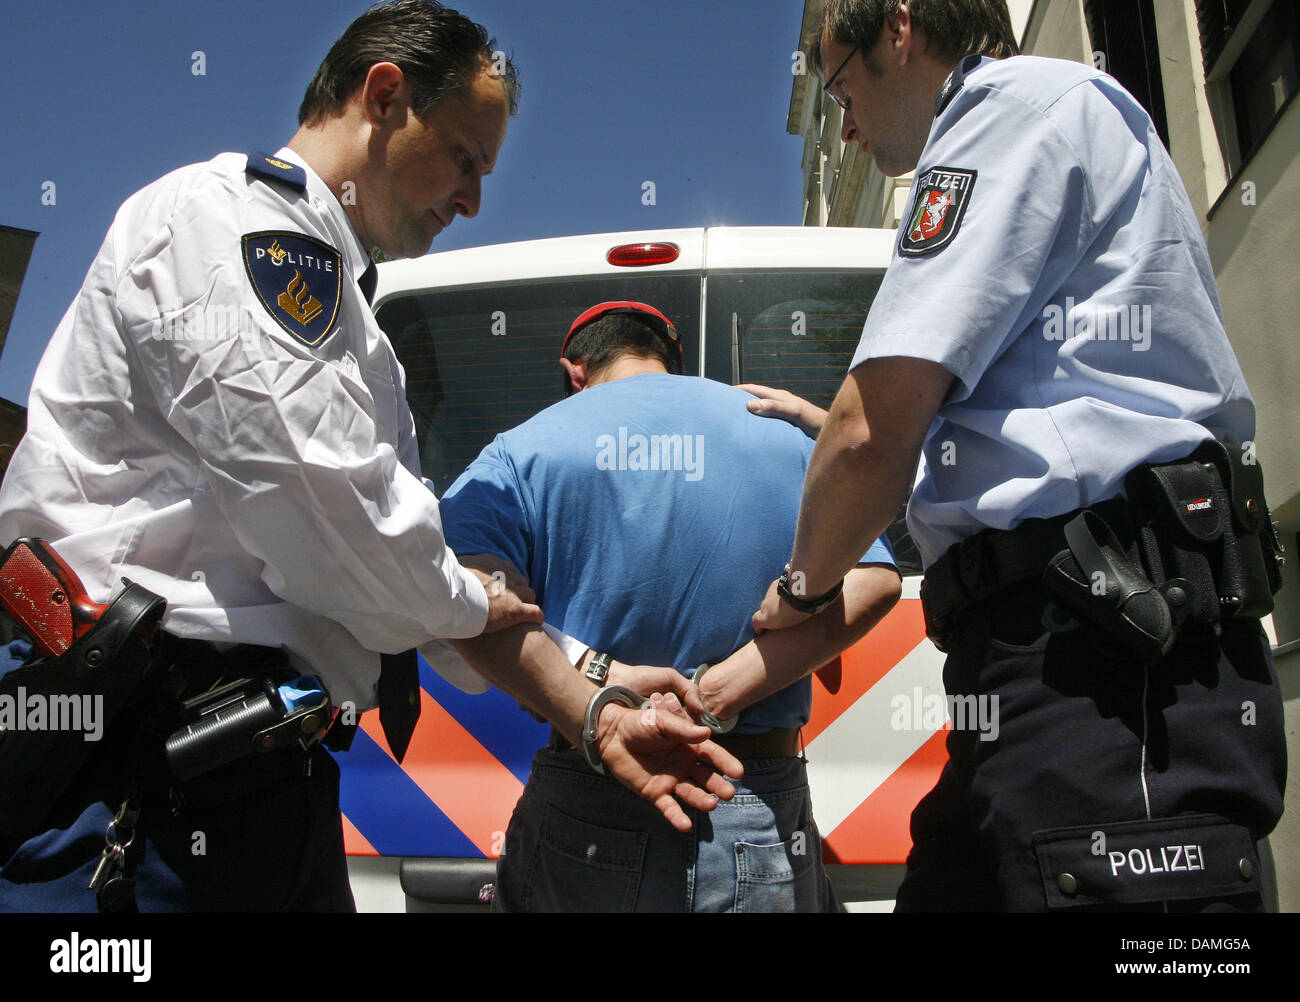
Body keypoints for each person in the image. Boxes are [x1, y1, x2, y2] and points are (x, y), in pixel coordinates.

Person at [0, 1, 731, 913]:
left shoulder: (357, 326)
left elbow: (400, 583)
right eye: (465, 157)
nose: (473, 199)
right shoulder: (233, 222)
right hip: (139, 778)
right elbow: (333, 520)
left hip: (252, 783)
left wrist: (591, 686)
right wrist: (472, 600)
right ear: (384, 96)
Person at [750, 0, 1287, 912]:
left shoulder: (1006, 111)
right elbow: (1047, 423)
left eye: (840, 86)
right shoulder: (1062, 115)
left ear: (902, 27)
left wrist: (801, 589)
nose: (843, 122)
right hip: (1060, 667)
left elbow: (870, 430)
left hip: (1107, 675)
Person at [440, 302, 901, 911]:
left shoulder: (515, 453)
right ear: (673, 365)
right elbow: (877, 582)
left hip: (588, 800)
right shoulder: (781, 435)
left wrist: (597, 697)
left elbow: (459, 596)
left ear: (575, 372)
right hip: (753, 799)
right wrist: (716, 693)